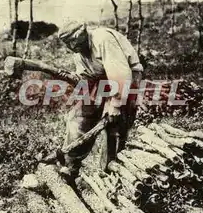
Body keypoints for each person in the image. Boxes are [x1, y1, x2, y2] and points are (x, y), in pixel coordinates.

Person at [57, 21, 143, 179]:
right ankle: (71, 166)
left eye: (73, 43)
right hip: (100, 81)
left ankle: (110, 172)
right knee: (78, 117)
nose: (71, 48)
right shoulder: (78, 52)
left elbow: (120, 74)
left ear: (81, 35)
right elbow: (87, 77)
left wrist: (116, 105)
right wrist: (76, 80)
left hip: (126, 78)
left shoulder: (102, 39)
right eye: (68, 44)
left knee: (115, 126)